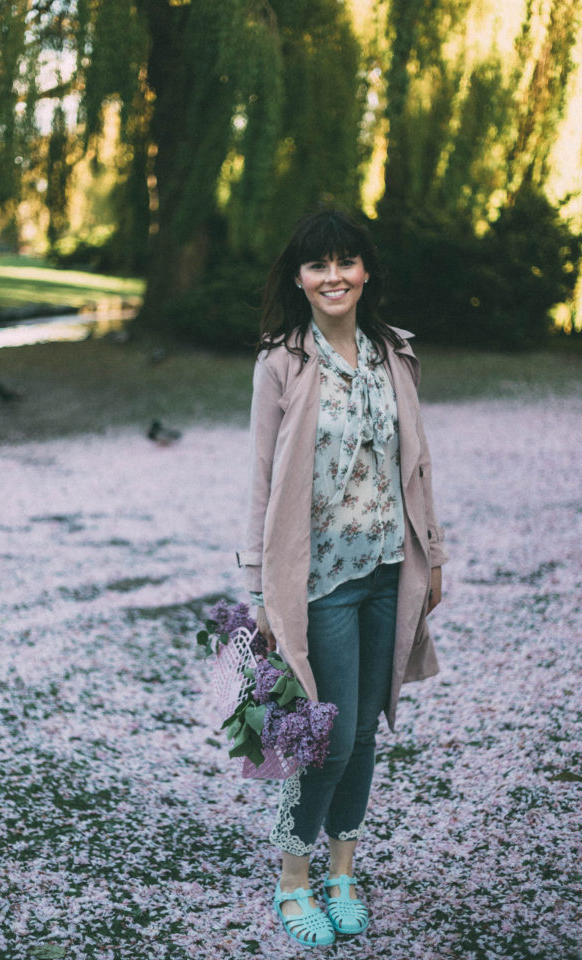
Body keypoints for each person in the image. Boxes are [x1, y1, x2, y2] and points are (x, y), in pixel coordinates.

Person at [238, 208, 448, 948]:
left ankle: (342, 873)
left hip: (391, 570)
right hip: (319, 579)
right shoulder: (281, 363)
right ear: (298, 279)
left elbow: (414, 465)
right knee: (326, 735)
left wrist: (434, 557)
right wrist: (259, 588)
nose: (333, 276)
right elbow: (259, 481)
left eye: (345, 262)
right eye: (317, 265)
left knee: (365, 732)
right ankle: (293, 881)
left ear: (366, 272)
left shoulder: (395, 353)